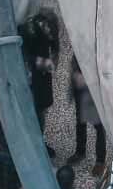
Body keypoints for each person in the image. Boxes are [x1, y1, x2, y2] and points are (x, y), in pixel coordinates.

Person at [21, 10, 61, 145]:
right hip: (30, 77)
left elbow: (55, 46)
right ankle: (30, 142)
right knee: (31, 109)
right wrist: (40, 62)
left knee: (41, 109)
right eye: (46, 28)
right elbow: (22, 54)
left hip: (43, 77)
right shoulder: (28, 29)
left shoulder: (51, 26)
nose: (49, 31)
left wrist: (52, 60)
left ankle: (39, 141)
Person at [68, 53, 107, 178]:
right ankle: (80, 151)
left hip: (94, 91)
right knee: (80, 121)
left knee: (99, 126)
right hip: (80, 89)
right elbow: (74, 61)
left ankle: (100, 160)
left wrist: (88, 80)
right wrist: (75, 75)